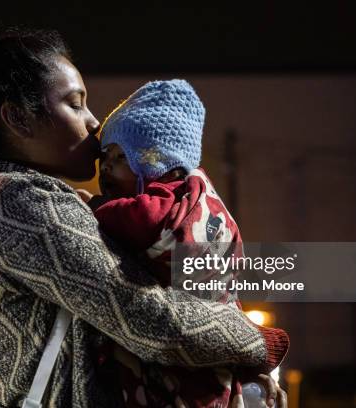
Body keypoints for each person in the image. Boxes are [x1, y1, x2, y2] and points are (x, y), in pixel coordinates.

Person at [0, 4, 288, 407]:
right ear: (19, 119)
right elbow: (146, 316)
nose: (94, 122)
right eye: (75, 104)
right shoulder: (17, 201)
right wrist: (258, 343)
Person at [83, 79, 289, 407]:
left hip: (191, 350)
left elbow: (145, 219)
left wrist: (94, 209)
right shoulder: (185, 193)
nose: (106, 165)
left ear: (152, 160)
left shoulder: (169, 197)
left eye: (121, 156)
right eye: (106, 155)